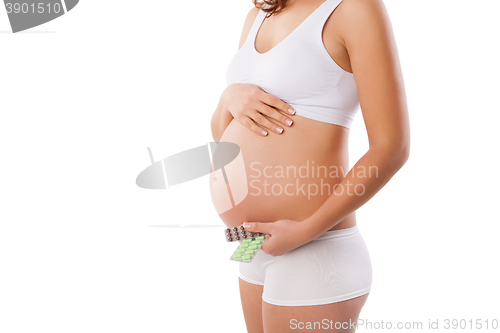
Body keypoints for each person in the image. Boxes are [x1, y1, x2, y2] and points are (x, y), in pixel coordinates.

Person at [210, 0, 410, 331]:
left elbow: (392, 147)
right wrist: (228, 97)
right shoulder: (257, 16)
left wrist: (307, 229)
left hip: (315, 249)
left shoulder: (355, 8)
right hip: (253, 245)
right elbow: (226, 139)